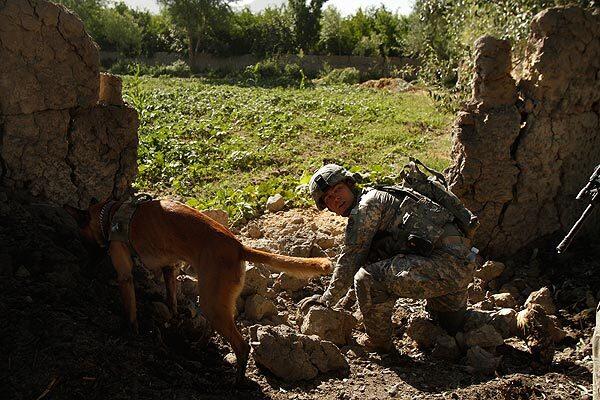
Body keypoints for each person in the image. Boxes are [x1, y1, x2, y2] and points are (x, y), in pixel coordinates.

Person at [299, 163, 478, 352]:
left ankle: (380, 344)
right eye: (328, 198)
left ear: (350, 185)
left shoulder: (367, 206)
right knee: (449, 327)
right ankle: (494, 323)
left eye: (338, 189)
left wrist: (327, 299)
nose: (335, 198)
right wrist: (346, 300)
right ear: (326, 206)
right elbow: (368, 259)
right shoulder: (381, 196)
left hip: (444, 268)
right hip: (459, 267)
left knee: (367, 278)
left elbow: (351, 260)